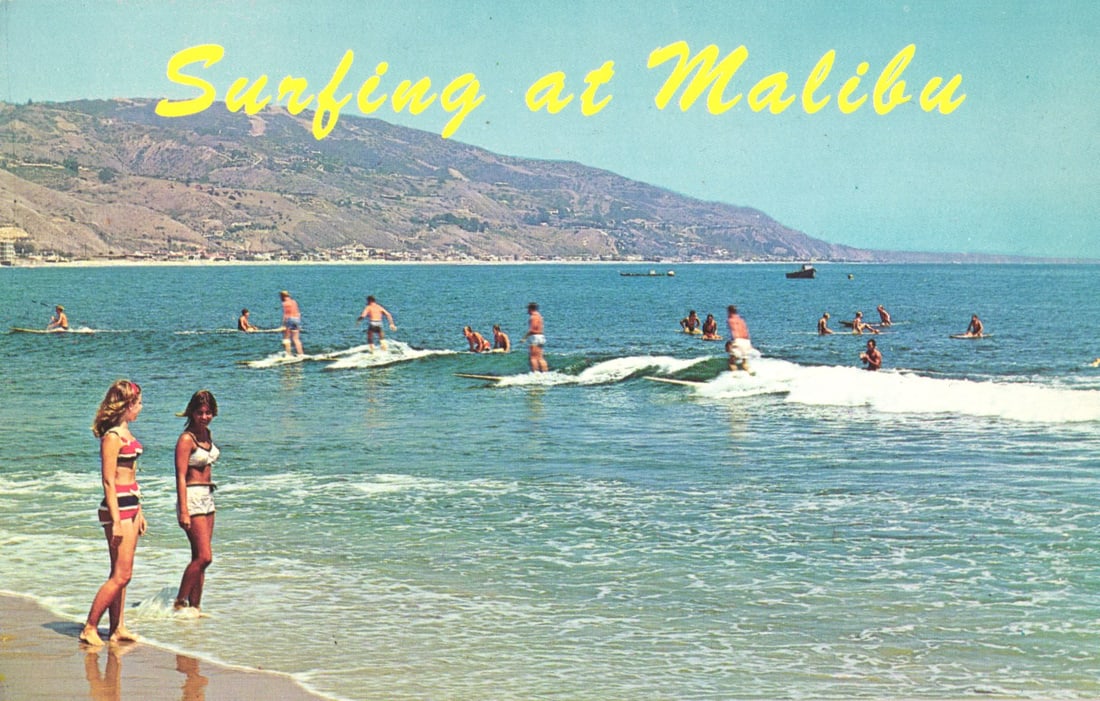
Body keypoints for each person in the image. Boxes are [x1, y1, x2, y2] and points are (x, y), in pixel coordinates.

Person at [80, 380, 147, 647]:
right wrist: (118, 521)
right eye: (138, 403)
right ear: (127, 405)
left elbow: (131, 476)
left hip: (131, 504)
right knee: (121, 574)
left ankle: (117, 627)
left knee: (122, 571)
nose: (141, 408)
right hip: (116, 507)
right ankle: (90, 626)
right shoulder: (112, 437)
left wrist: (140, 511)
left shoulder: (127, 433)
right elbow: (108, 480)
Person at [174, 390, 220, 612]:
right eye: (200, 412)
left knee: (199, 558)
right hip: (192, 498)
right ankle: (179, 601)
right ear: (191, 413)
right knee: (205, 557)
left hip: (208, 498)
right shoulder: (186, 439)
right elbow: (180, 476)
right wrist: (183, 509)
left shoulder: (207, 435)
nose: (204, 417)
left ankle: (195, 608)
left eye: (208, 412)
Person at [726, 305, 754, 373]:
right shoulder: (741, 320)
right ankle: (751, 373)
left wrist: (732, 344)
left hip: (738, 340)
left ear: (729, 312)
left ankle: (736, 376)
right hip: (747, 341)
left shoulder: (730, 320)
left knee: (732, 362)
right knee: (744, 363)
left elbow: (734, 332)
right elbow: (746, 332)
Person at [523, 302, 549, 372]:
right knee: (540, 357)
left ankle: (535, 373)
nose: (527, 310)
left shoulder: (533, 317)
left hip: (535, 337)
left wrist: (524, 338)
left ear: (531, 309)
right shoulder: (539, 316)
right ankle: (545, 372)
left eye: (528, 309)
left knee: (533, 357)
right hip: (541, 336)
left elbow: (532, 329)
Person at [279, 290, 303, 356]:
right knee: (296, 338)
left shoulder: (285, 303)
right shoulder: (294, 302)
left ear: (282, 296)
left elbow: (286, 314)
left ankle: (288, 354)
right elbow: (298, 313)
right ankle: (300, 353)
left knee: (286, 338)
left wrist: (283, 324)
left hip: (290, 319)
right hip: (297, 319)